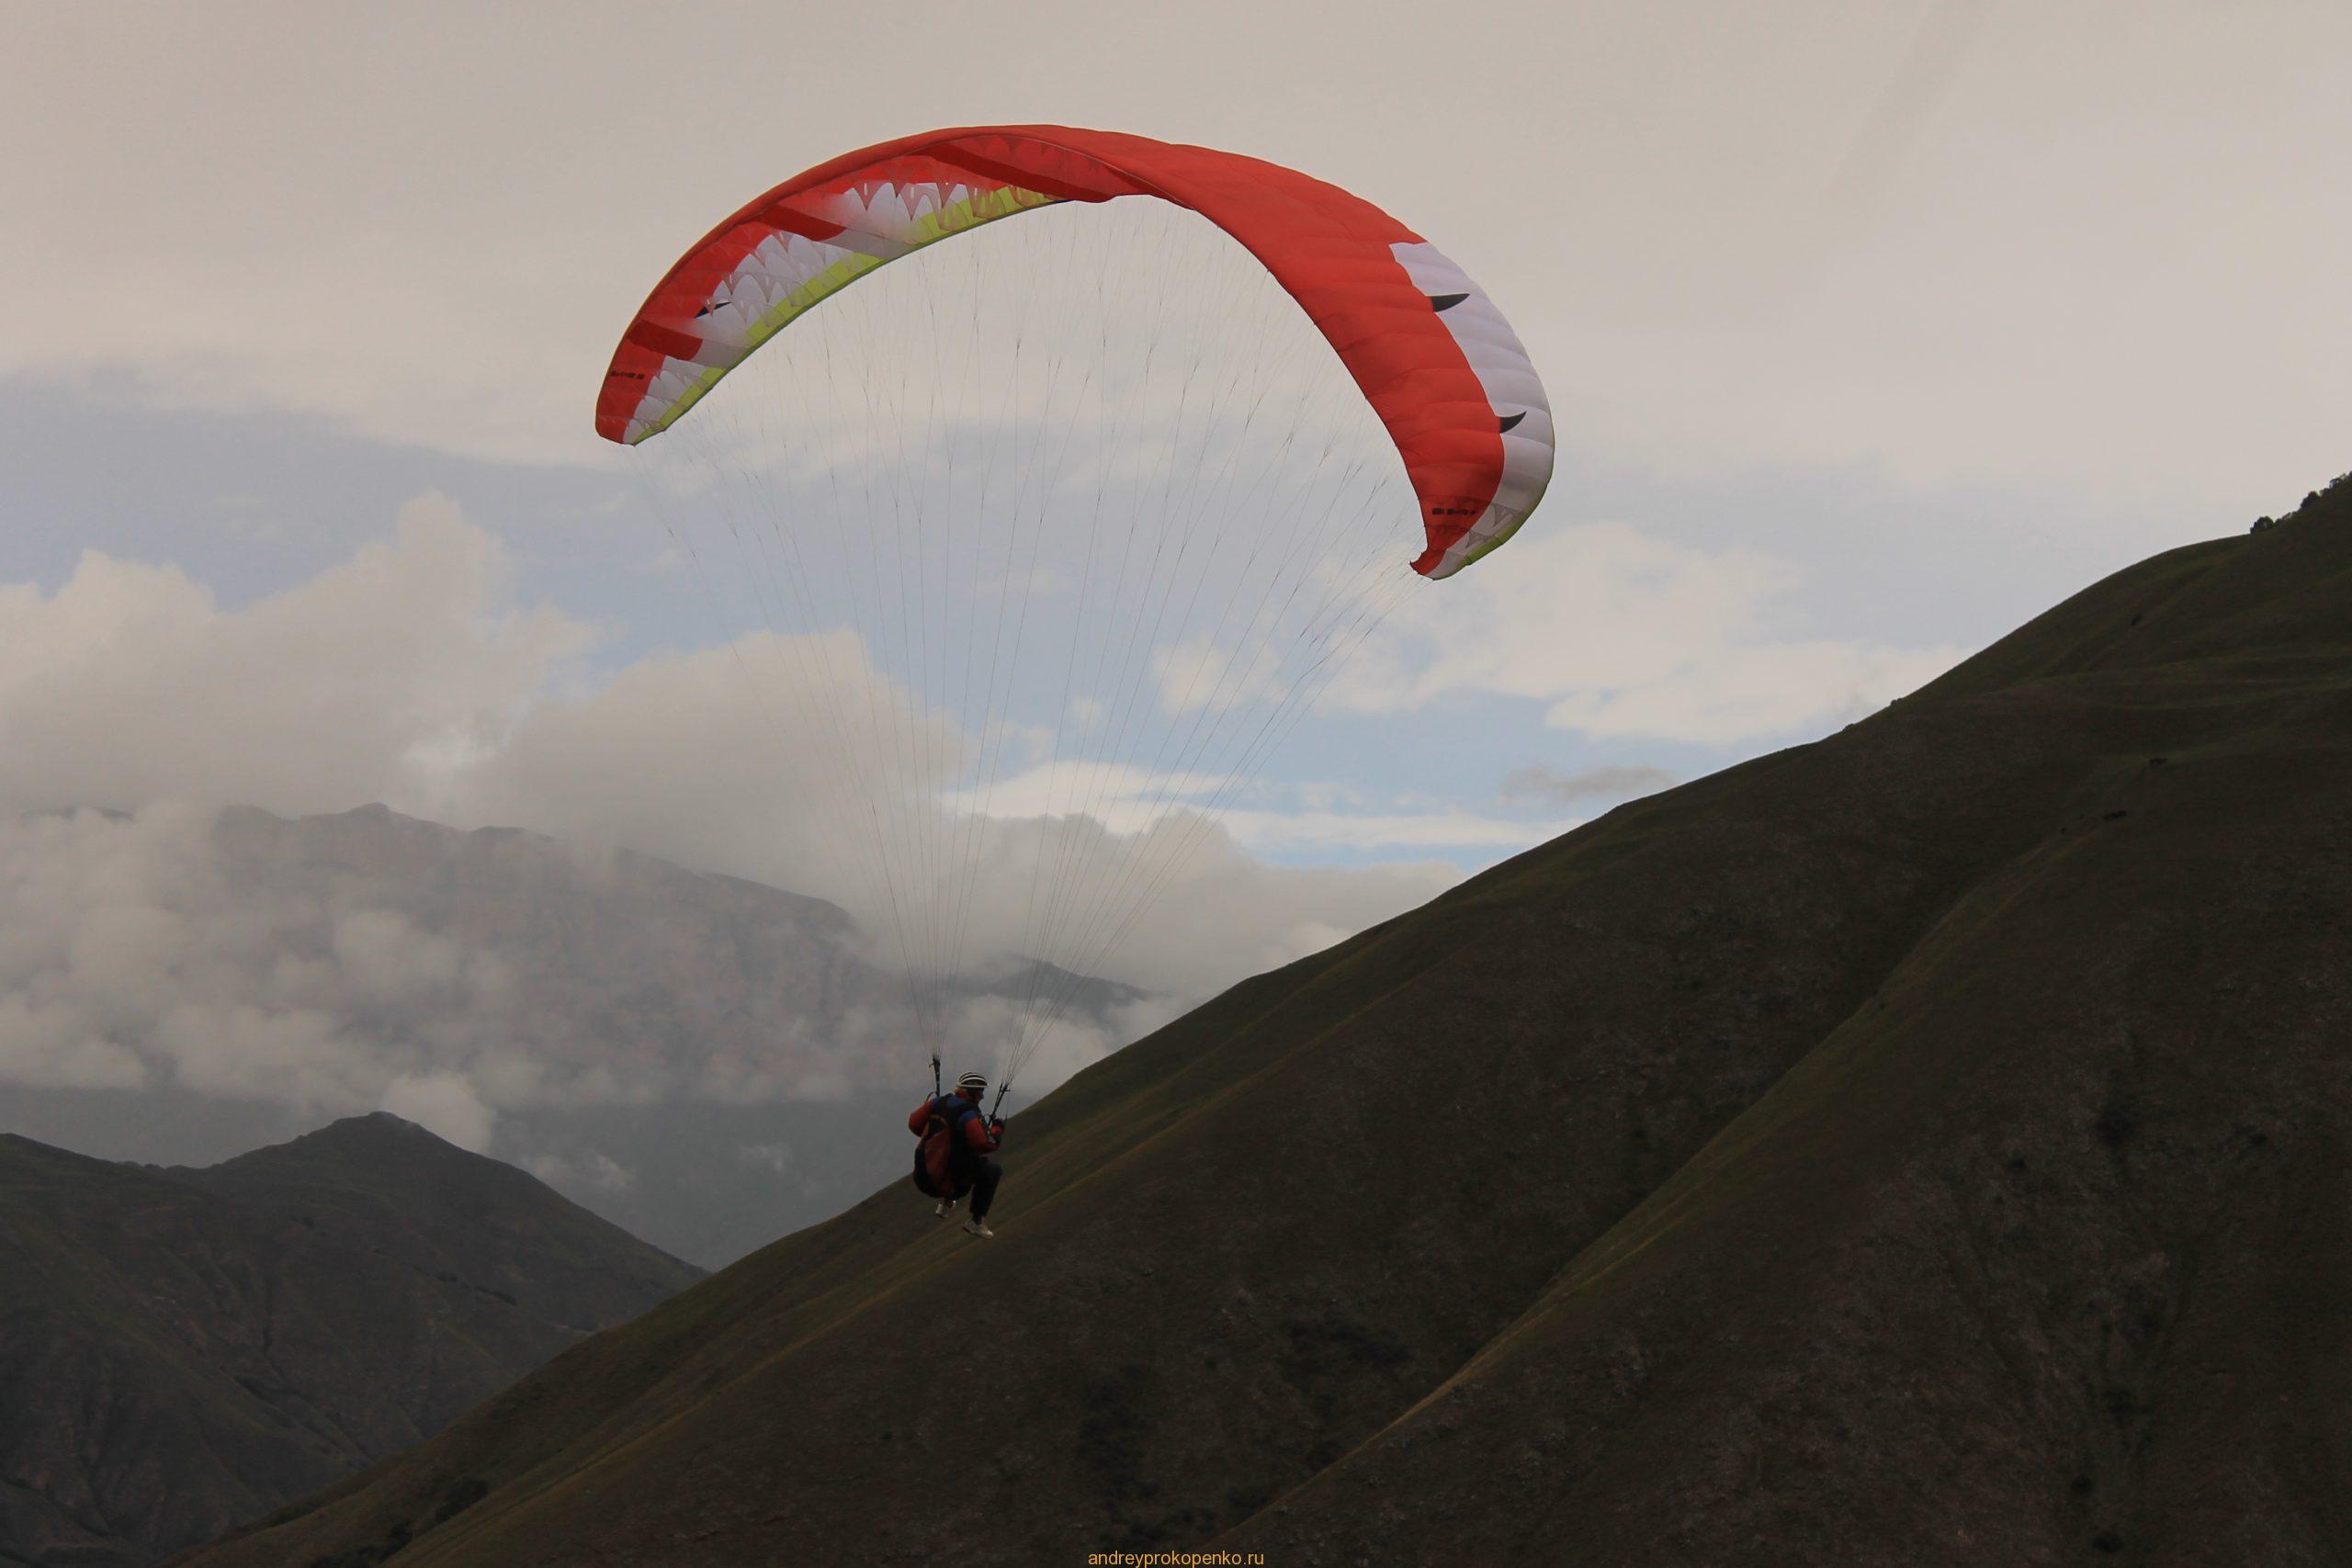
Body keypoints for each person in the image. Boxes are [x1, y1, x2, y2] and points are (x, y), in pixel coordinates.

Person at [909, 1070, 1005, 1237]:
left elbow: (914, 1123)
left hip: (921, 1177)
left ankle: (946, 1205)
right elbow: (985, 1144)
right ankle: (976, 1222)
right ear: (972, 1093)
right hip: (946, 1182)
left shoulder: (938, 1102)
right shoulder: (967, 1113)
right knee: (992, 1170)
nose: (982, 1097)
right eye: (980, 1092)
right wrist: (997, 1129)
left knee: (964, 1155)